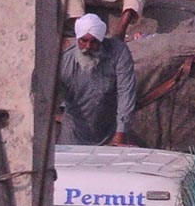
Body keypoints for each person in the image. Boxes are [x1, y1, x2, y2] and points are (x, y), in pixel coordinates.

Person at [57, 14, 136, 146]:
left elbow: (126, 93)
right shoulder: (65, 61)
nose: (88, 46)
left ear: (101, 40)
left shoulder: (118, 52)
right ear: (77, 39)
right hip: (73, 138)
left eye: (94, 42)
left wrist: (119, 135)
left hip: (111, 134)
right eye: (83, 41)